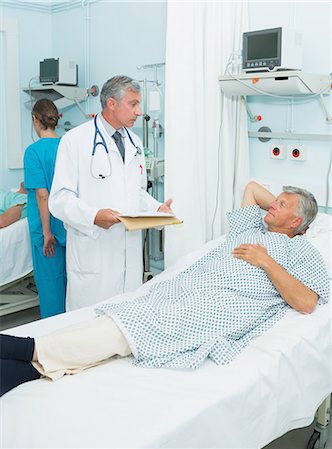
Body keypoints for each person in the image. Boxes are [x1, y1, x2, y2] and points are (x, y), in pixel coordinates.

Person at [0, 182, 329, 396]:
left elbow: (306, 302)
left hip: (214, 307)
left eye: (282, 206)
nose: (272, 206)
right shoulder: (250, 227)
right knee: (126, 315)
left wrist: (266, 260)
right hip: (182, 289)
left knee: (127, 327)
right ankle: (19, 367)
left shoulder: (301, 251)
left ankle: (24, 349)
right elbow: (253, 189)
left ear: (296, 223)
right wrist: (283, 208)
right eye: (278, 201)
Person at [48, 75, 172, 311]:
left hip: (129, 256)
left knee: (125, 327)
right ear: (112, 103)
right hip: (94, 253)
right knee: (88, 331)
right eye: (133, 104)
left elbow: (136, 192)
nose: (139, 111)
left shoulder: (135, 142)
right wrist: (93, 216)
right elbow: (59, 199)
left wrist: (157, 209)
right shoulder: (75, 141)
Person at [23, 99, 66, 319]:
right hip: (70, 228)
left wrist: (47, 232)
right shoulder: (69, 146)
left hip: (47, 231)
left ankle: (54, 340)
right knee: (73, 286)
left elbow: (42, 194)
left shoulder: (33, 152)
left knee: (51, 289)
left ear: (35, 120)